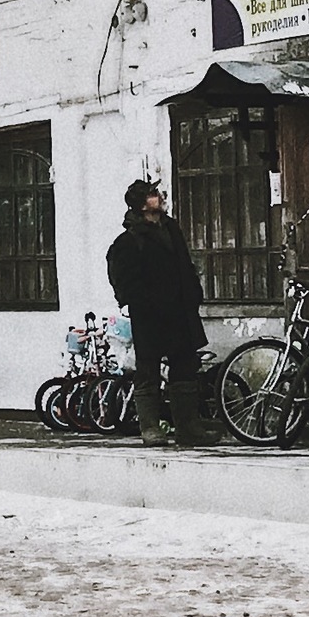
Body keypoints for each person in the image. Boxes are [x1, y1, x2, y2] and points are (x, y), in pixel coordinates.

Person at [107, 175, 211, 447]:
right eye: (153, 194)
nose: (159, 197)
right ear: (142, 205)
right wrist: (142, 301)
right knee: (148, 370)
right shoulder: (129, 240)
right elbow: (124, 278)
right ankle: (150, 428)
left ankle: (188, 428)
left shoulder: (170, 228)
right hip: (150, 315)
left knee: (185, 368)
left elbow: (184, 263)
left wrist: (193, 292)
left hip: (180, 311)